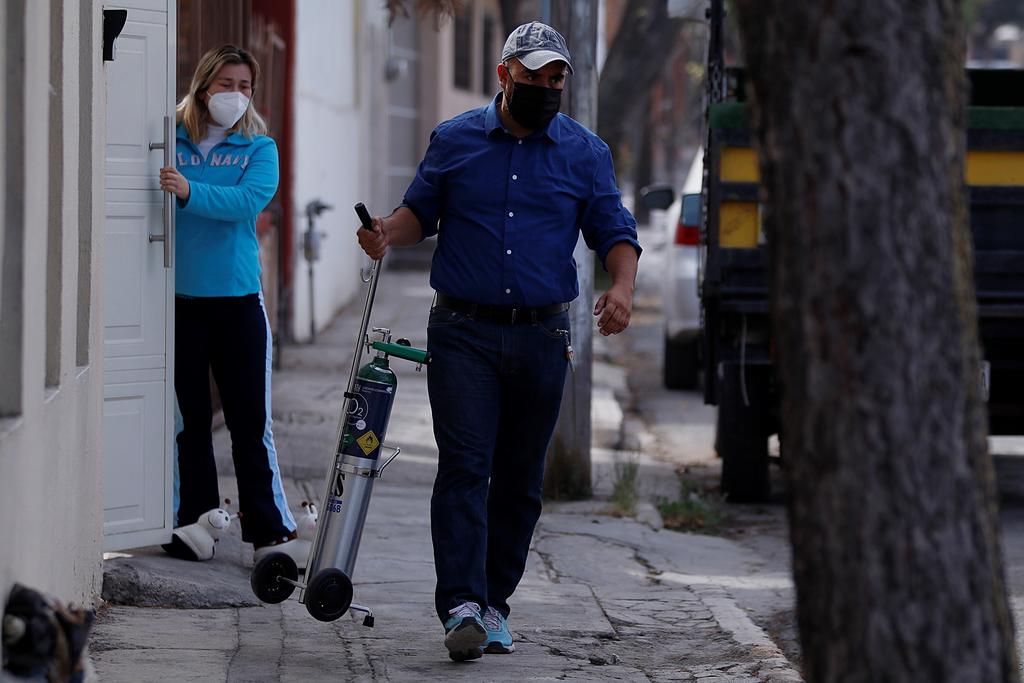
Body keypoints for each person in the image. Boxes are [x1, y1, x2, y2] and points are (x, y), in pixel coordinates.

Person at [357, 22, 641, 661]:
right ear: (503, 73)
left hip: (542, 337)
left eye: (555, 78)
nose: (544, 87)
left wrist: (621, 287)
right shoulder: (455, 141)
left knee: (519, 481)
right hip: (463, 333)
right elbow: (416, 216)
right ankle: (460, 604)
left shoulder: (584, 153)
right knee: (465, 466)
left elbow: (613, 230)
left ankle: (493, 604)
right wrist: (383, 232)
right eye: (533, 75)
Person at [158, 45, 303, 566]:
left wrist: (189, 191)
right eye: (226, 84)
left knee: (249, 422)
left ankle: (268, 527)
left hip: (239, 303)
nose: (235, 95)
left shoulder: (258, 147)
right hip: (180, 302)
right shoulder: (169, 139)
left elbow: (246, 203)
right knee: (187, 421)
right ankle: (192, 526)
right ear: (203, 86)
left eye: (245, 86)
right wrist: (182, 184)